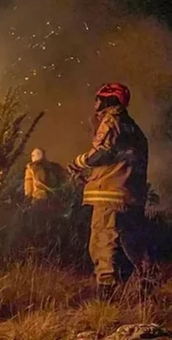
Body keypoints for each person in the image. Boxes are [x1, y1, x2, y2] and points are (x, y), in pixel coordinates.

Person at [68, 83, 150, 300]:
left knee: (102, 244)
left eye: (99, 98)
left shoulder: (111, 120)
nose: (95, 103)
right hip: (131, 197)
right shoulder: (134, 128)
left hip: (109, 197)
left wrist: (79, 162)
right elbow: (121, 163)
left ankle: (106, 298)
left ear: (108, 100)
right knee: (132, 246)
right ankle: (146, 289)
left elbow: (103, 152)